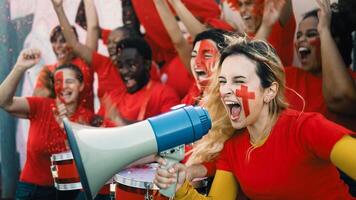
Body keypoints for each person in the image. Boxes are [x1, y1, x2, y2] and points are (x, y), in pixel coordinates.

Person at [153, 36, 356, 199]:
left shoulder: (306, 128)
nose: (226, 90)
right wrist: (182, 189)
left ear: (270, 91)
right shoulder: (232, 147)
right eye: (223, 81)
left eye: (238, 81)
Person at [0, 49, 112, 200]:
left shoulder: (89, 119)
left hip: (70, 193)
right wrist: (20, 67)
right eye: (58, 82)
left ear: (81, 86)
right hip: (32, 191)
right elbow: (4, 102)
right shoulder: (41, 106)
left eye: (70, 81)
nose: (64, 86)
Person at [286, 0, 356, 131]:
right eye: (299, 35)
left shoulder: (352, 81)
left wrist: (324, 30)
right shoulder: (288, 77)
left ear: (334, 41)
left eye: (311, 34)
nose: (301, 40)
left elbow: (339, 97)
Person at [225, 0, 295, 66]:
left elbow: (251, 63)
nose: (242, 10)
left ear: (263, 4)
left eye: (248, 3)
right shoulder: (241, 39)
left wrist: (265, 26)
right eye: (240, 4)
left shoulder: (279, 27)